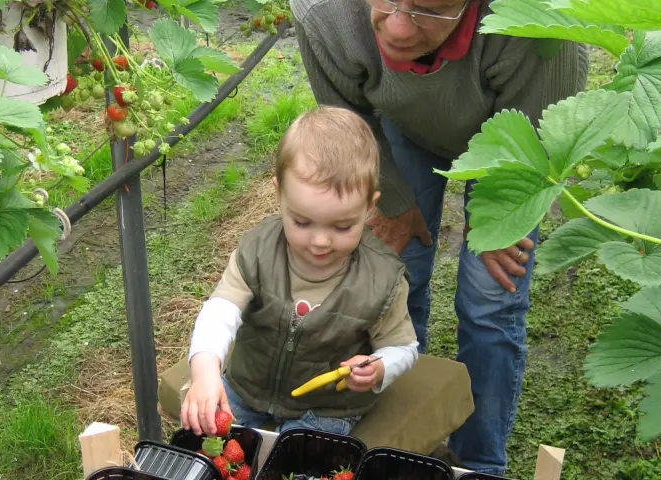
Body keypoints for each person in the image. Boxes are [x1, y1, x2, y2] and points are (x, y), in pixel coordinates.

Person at [290, 0, 589, 474]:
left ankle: (479, 464)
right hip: (404, 125)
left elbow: (540, 131)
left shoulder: (541, 31)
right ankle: (407, 442)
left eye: (430, 9)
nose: (400, 26)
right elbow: (344, 119)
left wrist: (499, 217)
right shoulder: (324, 12)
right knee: (394, 279)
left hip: (515, 144)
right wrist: (390, 197)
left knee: (491, 300)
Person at [180, 106, 420, 437]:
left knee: (297, 462)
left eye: (342, 226)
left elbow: (404, 347)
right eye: (302, 222)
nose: (320, 241)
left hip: (326, 407)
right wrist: (205, 374)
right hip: (246, 389)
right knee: (203, 439)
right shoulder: (260, 250)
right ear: (279, 194)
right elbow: (219, 312)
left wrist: (379, 367)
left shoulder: (381, 279)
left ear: (369, 206)